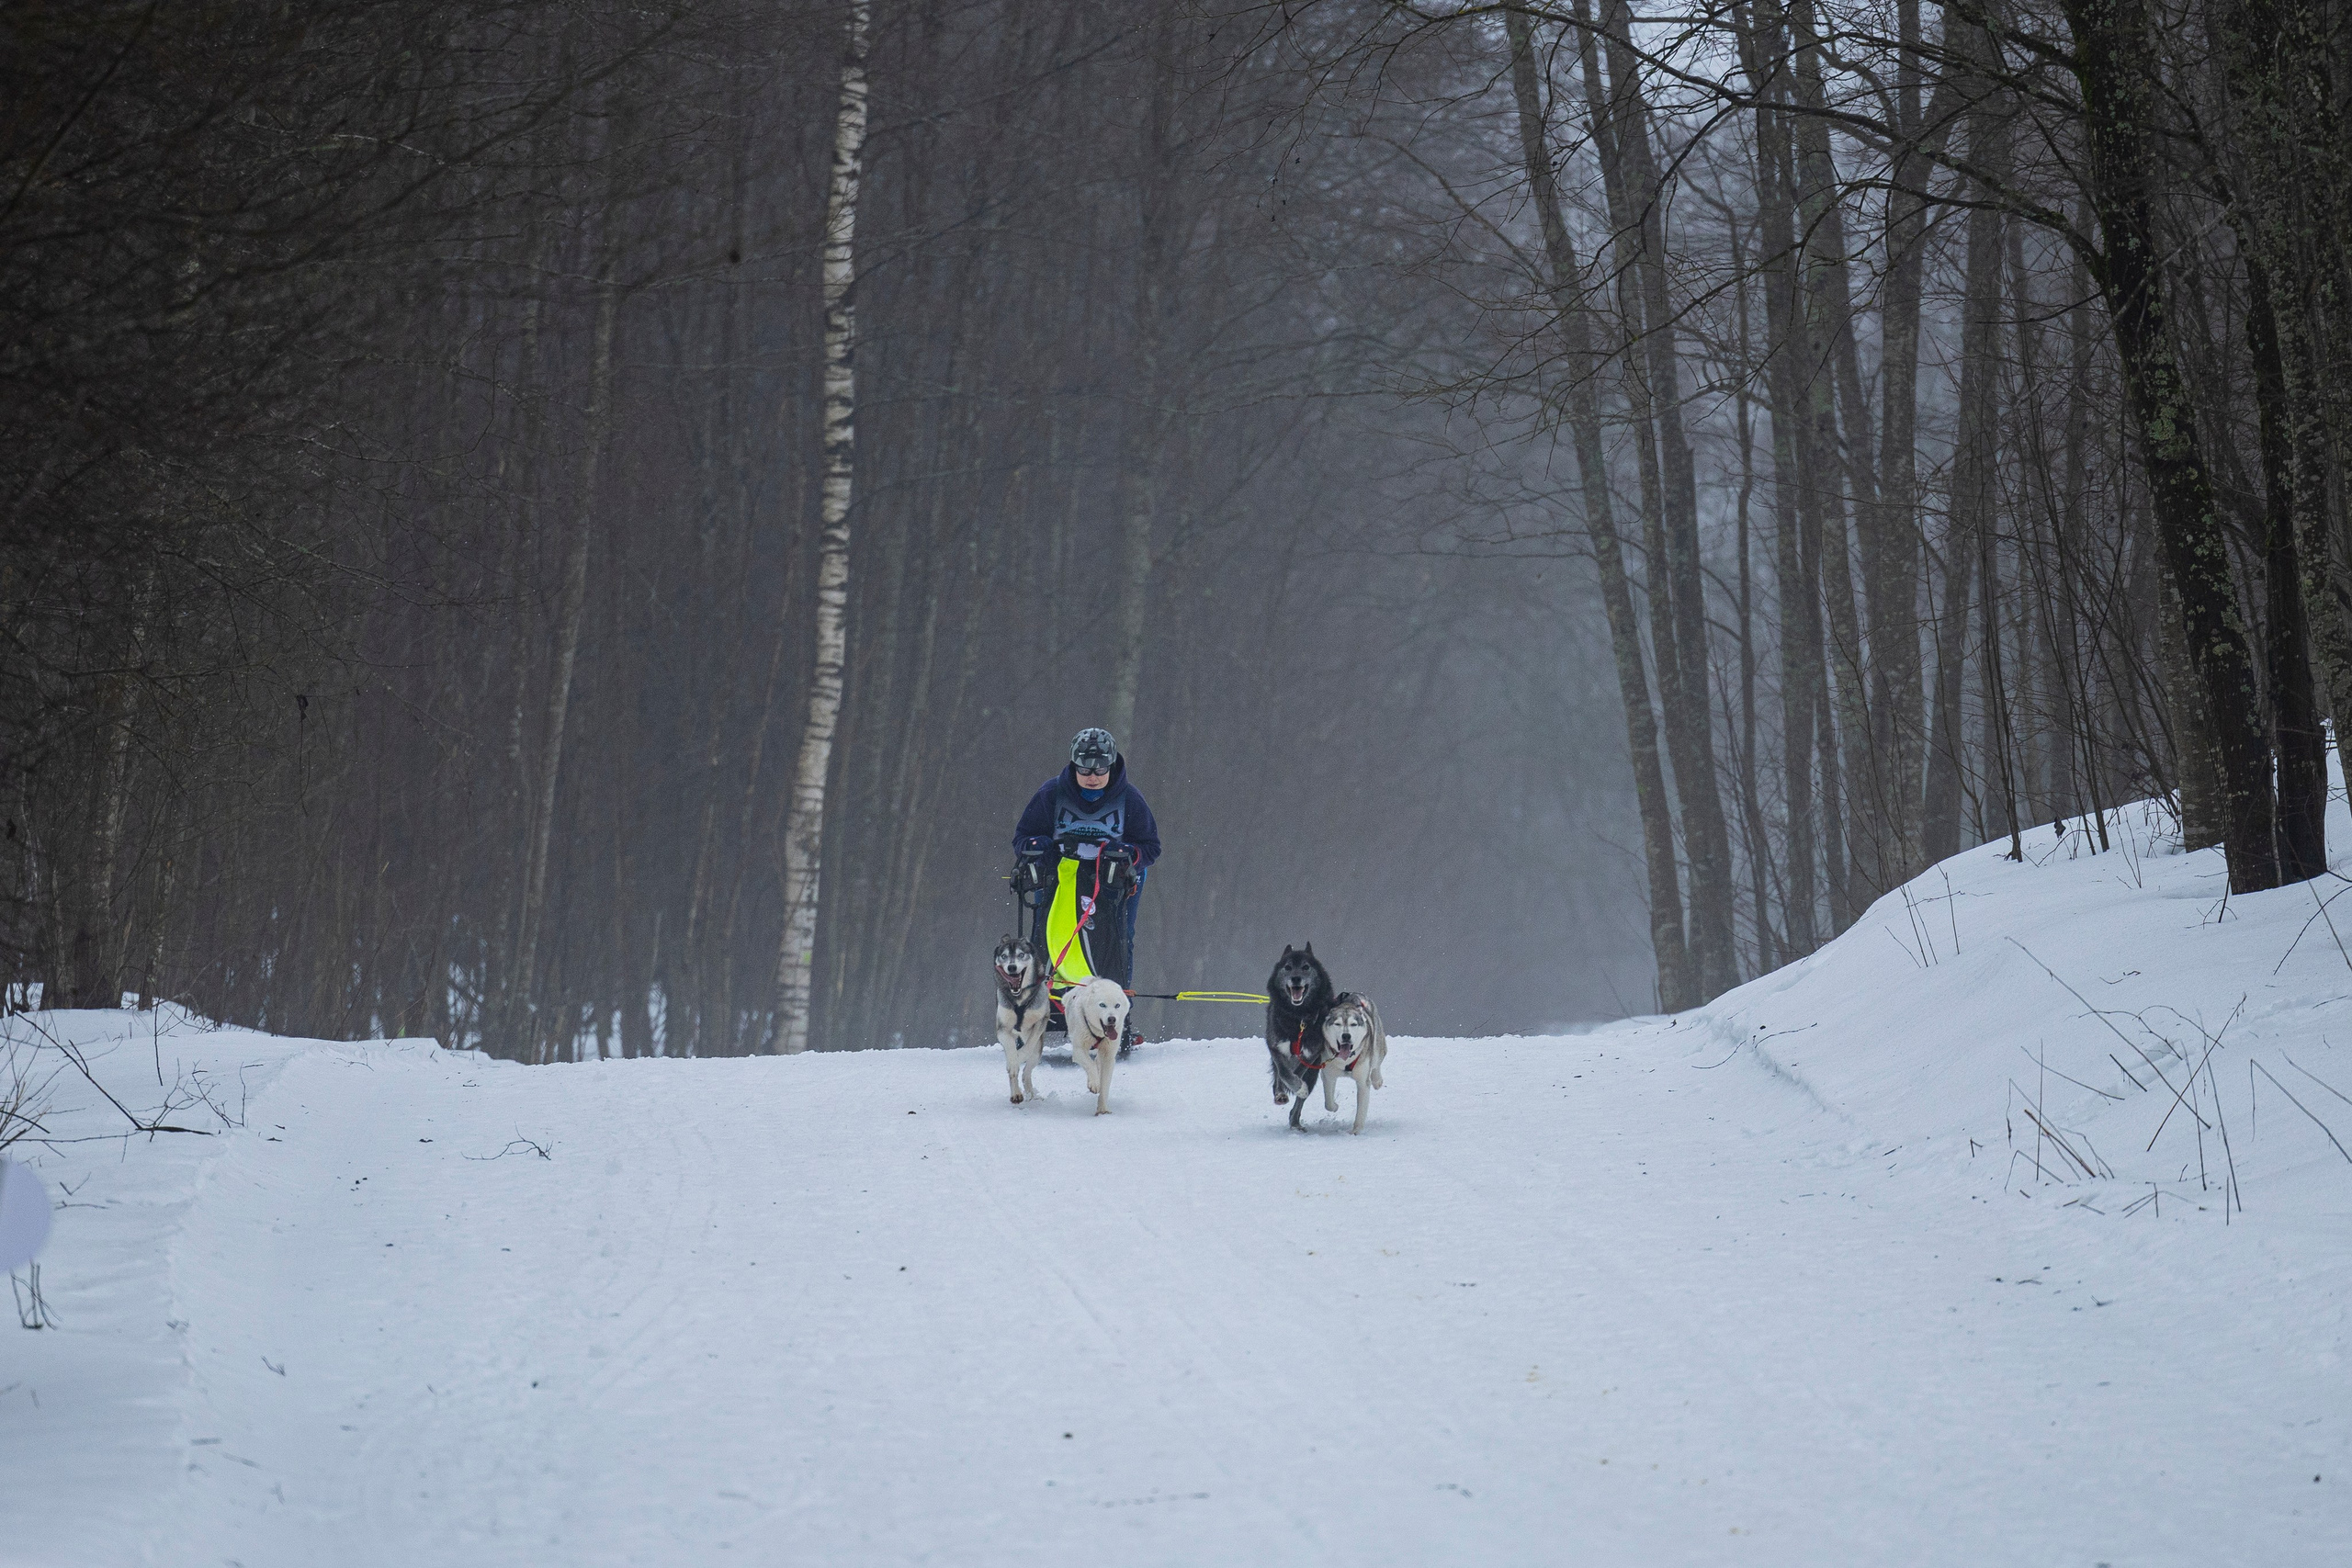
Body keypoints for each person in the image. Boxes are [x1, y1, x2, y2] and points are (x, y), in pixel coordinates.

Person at [1012, 728, 1160, 992]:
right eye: (1085, 770)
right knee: (1045, 932)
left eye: (1100, 770)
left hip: (1115, 880)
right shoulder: (1051, 794)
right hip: (1060, 875)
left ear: (1111, 766)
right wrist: (1039, 848)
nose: (1092, 777)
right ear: (1074, 765)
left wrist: (1128, 856)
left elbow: (1151, 847)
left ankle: (1115, 1004)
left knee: (1119, 936)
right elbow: (1023, 837)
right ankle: (1043, 1000)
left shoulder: (1130, 799)